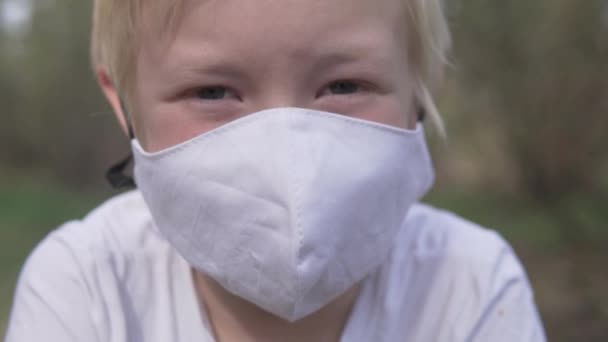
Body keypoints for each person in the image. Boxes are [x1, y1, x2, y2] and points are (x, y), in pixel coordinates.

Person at [5, 0, 547, 341]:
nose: (289, 157)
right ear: (125, 103)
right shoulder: (87, 285)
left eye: (343, 86)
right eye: (213, 91)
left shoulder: (472, 284)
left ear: (421, 92)